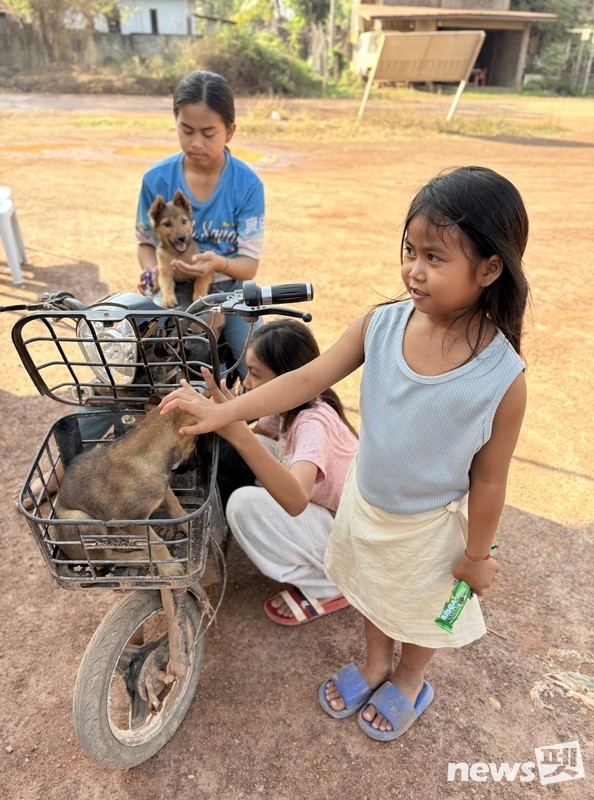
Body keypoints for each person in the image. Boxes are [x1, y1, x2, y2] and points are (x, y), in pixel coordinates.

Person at [158, 165, 529, 741]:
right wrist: (225, 412)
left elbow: (489, 482)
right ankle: (376, 663)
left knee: (423, 609)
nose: (413, 269)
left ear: (489, 267)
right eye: (410, 250)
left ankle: (407, 678)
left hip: (431, 527)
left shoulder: (502, 378)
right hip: (365, 506)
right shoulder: (380, 326)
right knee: (371, 591)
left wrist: (477, 555)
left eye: (435, 257)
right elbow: (305, 379)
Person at [207, 319, 359, 625]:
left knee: (243, 504)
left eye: (257, 374)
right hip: (337, 519)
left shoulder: (312, 424)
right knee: (255, 447)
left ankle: (330, 585)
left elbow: (296, 500)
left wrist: (236, 432)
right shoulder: (295, 405)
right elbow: (259, 430)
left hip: (353, 541)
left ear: (287, 379)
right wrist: (230, 413)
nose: (246, 382)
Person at [136, 69, 265, 378]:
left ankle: (259, 424)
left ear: (230, 131)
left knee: (263, 363)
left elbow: (248, 266)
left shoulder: (247, 184)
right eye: (186, 130)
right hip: (170, 289)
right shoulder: (156, 179)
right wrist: (153, 272)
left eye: (208, 133)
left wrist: (216, 263)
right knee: (127, 365)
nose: (195, 143)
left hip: (228, 290)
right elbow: (145, 244)